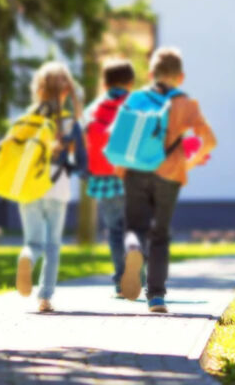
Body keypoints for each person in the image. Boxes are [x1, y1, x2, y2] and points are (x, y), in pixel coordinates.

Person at [120, 47, 216, 313]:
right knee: (160, 235)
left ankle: (133, 250)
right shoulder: (186, 104)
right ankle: (157, 298)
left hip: (136, 171)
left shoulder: (136, 100)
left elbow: (120, 141)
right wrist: (190, 162)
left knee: (135, 227)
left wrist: (122, 170)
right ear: (180, 77)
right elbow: (210, 141)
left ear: (151, 74)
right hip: (170, 174)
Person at [16, 61, 86, 312]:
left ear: (39, 89)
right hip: (57, 187)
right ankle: (45, 297)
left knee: (33, 242)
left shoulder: (28, 120)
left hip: (28, 188)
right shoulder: (69, 123)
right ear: (66, 90)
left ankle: (26, 258)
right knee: (53, 244)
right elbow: (81, 162)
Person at [84, 58, 135, 297]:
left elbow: (80, 139)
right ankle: (138, 276)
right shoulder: (137, 104)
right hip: (134, 176)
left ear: (105, 83)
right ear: (131, 82)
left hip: (104, 176)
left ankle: (120, 281)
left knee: (114, 230)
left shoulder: (94, 108)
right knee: (135, 228)